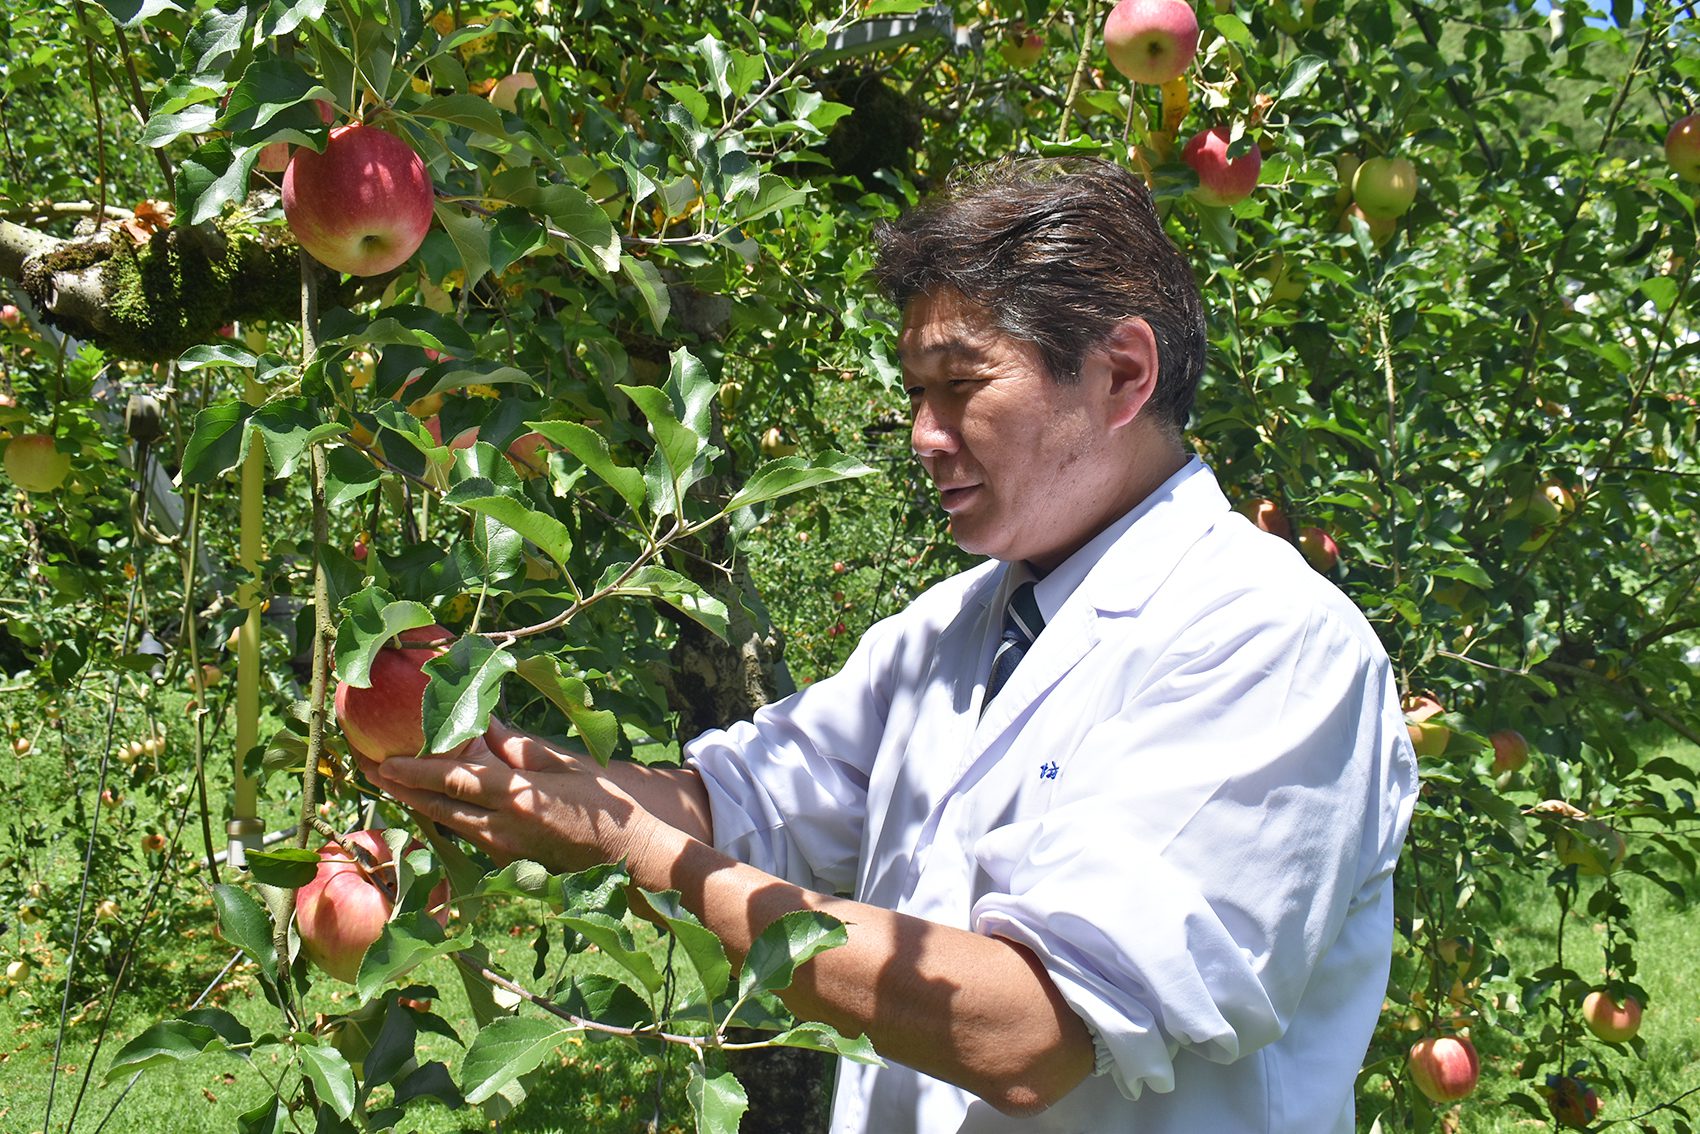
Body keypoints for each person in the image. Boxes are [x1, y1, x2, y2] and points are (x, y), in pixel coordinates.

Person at [365, 157, 1418, 1133]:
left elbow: (1027, 1032)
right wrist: (525, 782)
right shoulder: (957, 626)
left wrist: (635, 850)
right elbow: (746, 800)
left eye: (958, 385)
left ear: (1120, 376)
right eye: (916, 393)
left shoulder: (1268, 645)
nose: (921, 433)